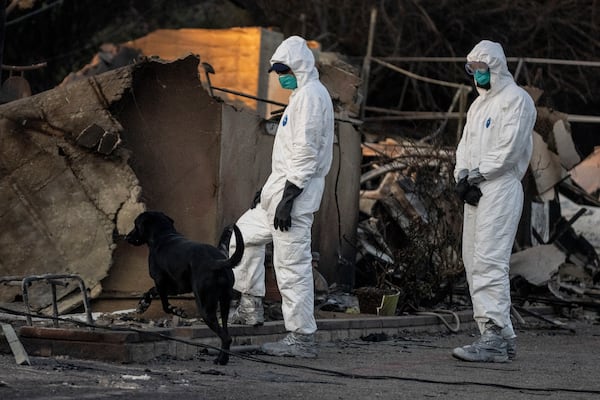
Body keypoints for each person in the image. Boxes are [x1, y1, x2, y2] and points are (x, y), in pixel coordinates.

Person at [228, 35, 334, 358]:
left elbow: (306, 153)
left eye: (282, 69)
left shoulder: (312, 97)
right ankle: (250, 306)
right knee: (242, 236)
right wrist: (268, 190)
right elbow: (287, 157)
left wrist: (288, 199)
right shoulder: (299, 97)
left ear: (297, 67)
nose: (279, 76)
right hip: (279, 195)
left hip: (294, 200)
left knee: (292, 266)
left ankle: (301, 337)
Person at [452, 40, 537, 363]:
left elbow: (510, 148)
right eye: (471, 69)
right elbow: (464, 145)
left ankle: (494, 335)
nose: (476, 75)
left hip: (499, 188)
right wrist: (462, 176)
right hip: (477, 188)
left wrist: (478, 174)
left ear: (496, 68)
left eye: (481, 69)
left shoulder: (516, 101)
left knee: (489, 261)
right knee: (472, 260)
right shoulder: (478, 106)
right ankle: (501, 334)